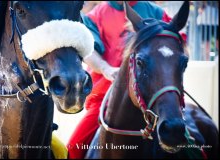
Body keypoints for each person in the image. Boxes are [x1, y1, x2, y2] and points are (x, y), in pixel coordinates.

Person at [67, 1, 186, 159]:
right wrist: (105, 68)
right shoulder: (95, 16)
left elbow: (174, 46)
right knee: (74, 146)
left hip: (154, 96)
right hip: (106, 96)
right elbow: (89, 51)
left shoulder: (157, 12)